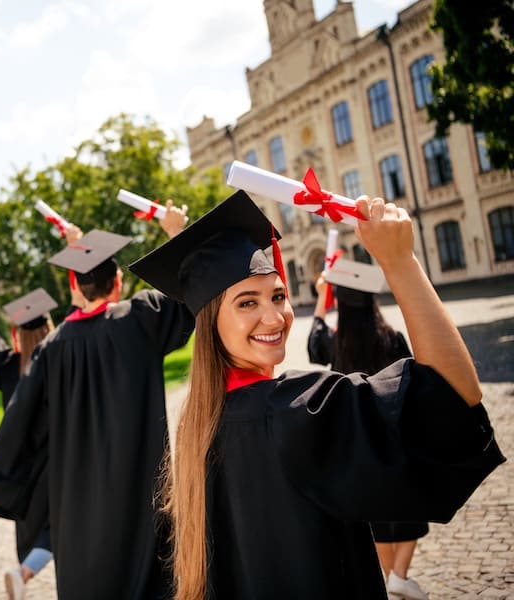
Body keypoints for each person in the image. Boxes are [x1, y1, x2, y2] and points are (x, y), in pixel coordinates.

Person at [128, 190, 506, 600]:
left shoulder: (198, 427)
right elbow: (453, 395)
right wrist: (401, 263)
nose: (274, 316)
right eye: (246, 303)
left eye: (277, 295)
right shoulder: (297, 411)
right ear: (212, 323)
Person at [0, 201, 194, 600]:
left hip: (78, 505)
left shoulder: (52, 350)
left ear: (74, 287)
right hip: (141, 491)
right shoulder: (140, 319)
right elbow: (188, 295)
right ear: (118, 282)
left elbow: (18, 418)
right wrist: (174, 233)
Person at [308, 271, 430, 599]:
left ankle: (387, 580)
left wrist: (322, 298)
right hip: (396, 437)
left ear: (342, 307)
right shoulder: (392, 338)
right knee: (407, 511)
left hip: (356, 444)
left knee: (373, 519)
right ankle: (400, 576)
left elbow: (313, 344)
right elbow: (414, 385)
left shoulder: (336, 341)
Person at [0, 243, 81, 600]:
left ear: (16, 333)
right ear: (50, 325)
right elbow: (78, 310)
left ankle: (24, 569)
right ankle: (28, 571)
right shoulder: (64, 354)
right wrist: (74, 249)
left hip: (23, 470)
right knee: (67, 528)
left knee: (36, 530)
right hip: (65, 463)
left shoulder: (7, 368)